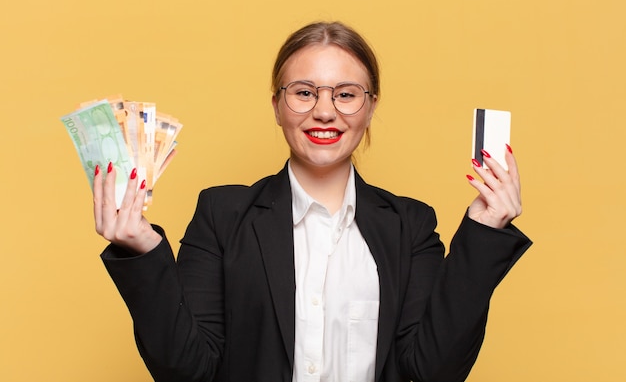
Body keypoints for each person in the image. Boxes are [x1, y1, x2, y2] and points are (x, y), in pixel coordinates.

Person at [93, 21, 531, 382]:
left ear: (370, 107)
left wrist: (483, 234)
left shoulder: (410, 226)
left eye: (345, 94)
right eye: (304, 92)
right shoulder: (222, 217)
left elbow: (435, 370)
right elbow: (187, 370)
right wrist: (143, 252)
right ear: (277, 106)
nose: (325, 111)